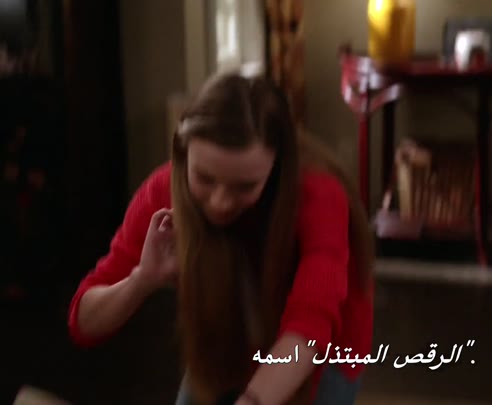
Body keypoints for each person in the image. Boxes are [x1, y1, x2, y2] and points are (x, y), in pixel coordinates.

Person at [66, 73, 375, 405]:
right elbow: (83, 322)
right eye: (204, 178)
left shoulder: (319, 194)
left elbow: (311, 323)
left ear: (277, 167)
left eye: (244, 186)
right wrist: (142, 278)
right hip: (228, 339)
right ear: (183, 153)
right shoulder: (162, 193)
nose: (220, 203)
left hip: (323, 348)